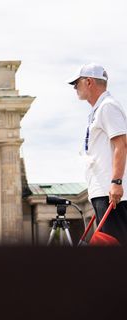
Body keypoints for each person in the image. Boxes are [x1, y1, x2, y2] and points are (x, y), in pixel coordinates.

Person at [68, 63, 127, 244]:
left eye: (76, 84)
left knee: (115, 244)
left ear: (89, 82)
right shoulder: (97, 110)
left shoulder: (108, 107)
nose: (75, 88)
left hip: (111, 190)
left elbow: (122, 144)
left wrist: (116, 182)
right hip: (102, 191)